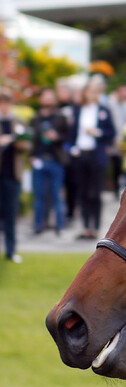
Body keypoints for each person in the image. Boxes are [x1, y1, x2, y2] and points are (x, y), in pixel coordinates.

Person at [68, 80, 115, 240]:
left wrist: (98, 132)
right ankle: (85, 226)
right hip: (81, 154)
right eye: (91, 91)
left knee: (95, 193)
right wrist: (73, 148)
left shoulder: (103, 110)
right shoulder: (78, 110)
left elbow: (111, 132)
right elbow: (72, 133)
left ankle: (95, 227)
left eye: (96, 92)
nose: (93, 95)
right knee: (82, 192)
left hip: (96, 155)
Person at [29, 88, 70, 236]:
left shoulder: (60, 117)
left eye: (50, 97)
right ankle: (38, 225)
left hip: (55, 160)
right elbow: (30, 139)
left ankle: (59, 226)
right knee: (39, 195)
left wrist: (56, 137)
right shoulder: (35, 118)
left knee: (56, 195)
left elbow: (67, 137)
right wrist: (31, 155)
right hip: (38, 160)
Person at [0, 89, 29, 263]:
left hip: (13, 174)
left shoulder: (19, 121)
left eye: (7, 102)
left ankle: (11, 251)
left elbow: (27, 144)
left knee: (11, 214)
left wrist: (18, 142)